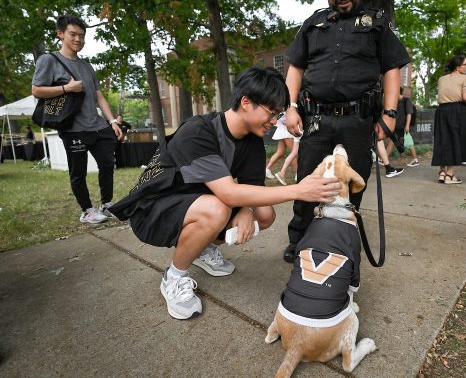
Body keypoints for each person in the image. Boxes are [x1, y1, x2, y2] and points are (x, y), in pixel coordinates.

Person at [108, 67, 342, 319]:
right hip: (153, 209)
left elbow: (252, 194)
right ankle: (174, 277)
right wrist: (298, 190)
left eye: (279, 115)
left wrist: (246, 209)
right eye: (271, 113)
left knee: (265, 215)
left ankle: (202, 249)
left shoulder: (252, 142)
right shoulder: (199, 131)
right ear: (246, 102)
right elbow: (229, 194)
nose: (275, 122)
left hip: (198, 202)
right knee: (217, 209)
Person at [281, 0, 410, 262]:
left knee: (353, 186)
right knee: (306, 184)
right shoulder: (312, 24)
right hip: (316, 120)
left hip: (357, 121)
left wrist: (389, 114)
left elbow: (392, 69)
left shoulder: (377, 23)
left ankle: (342, 240)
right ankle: (299, 241)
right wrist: (290, 107)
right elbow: (295, 68)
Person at [32, 14, 123, 224]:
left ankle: (107, 205)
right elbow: (36, 90)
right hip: (73, 128)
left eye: (82, 36)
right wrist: (67, 88)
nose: (78, 40)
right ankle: (87, 210)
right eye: (73, 34)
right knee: (78, 171)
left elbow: (99, 95)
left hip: (97, 126)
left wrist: (112, 121)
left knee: (107, 164)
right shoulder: (49, 60)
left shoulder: (87, 66)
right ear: (60, 34)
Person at [432, 55, 466, 184]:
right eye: (465, 64)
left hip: (442, 111)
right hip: (458, 111)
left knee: (443, 139)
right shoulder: (465, 78)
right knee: (455, 140)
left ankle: (442, 172)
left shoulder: (441, 79)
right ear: (457, 66)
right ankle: (450, 175)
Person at [386, 87, 419, 167]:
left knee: (406, 143)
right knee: (394, 142)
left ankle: (384, 159)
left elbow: (409, 113)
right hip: (397, 126)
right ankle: (414, 160)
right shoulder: (396, 102)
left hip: (404, 127)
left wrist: (407, 125)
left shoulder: (406, 100)